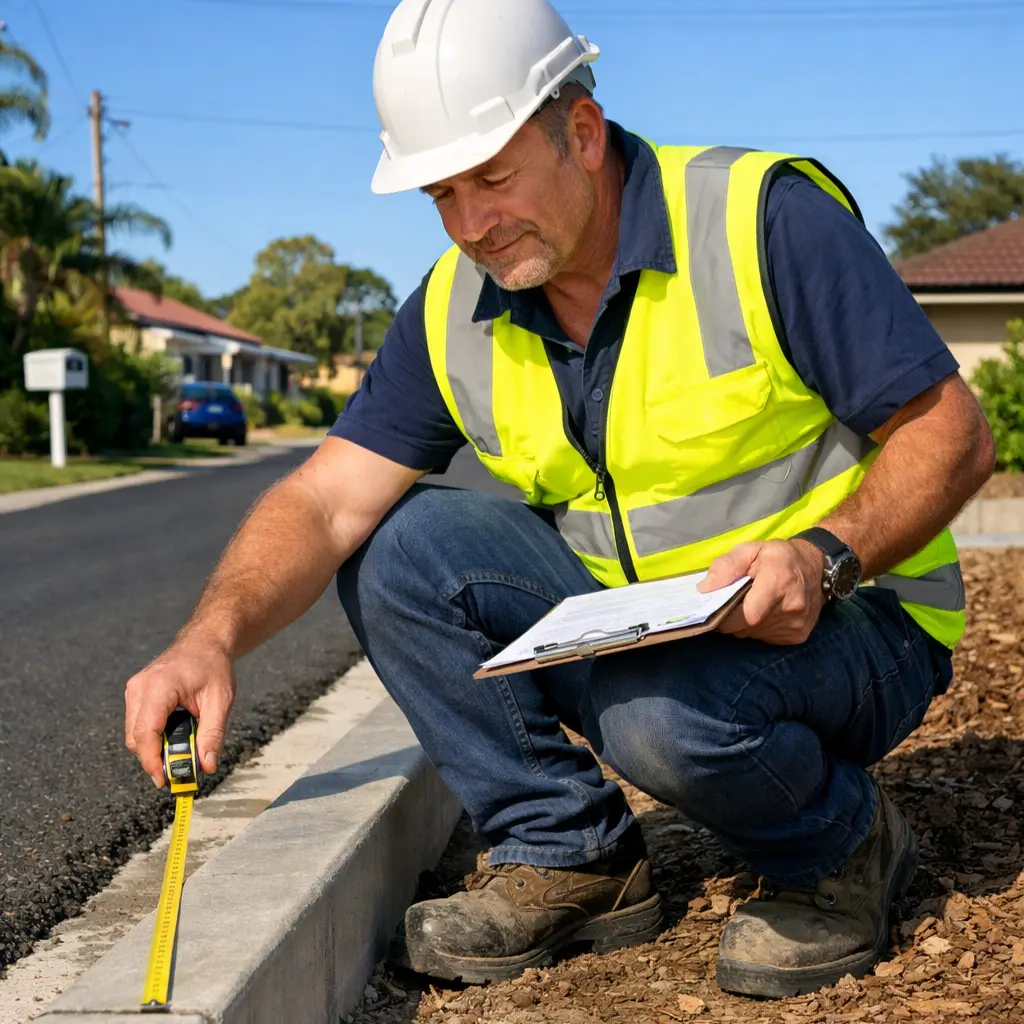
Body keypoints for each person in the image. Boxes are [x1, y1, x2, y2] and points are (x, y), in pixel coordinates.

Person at [123, 0, 995, 1000]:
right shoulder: (454, 307)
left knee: (654, 717)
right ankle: (570, 850)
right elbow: (324, 502)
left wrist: (824, 552)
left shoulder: (760, 221)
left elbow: (952, 433)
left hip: (854, 620)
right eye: (441, 193)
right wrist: (210, 635)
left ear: (580, 131)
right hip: (651, 631)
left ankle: (844, 845)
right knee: (401, 547)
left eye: (492, 178)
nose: (470, 225)